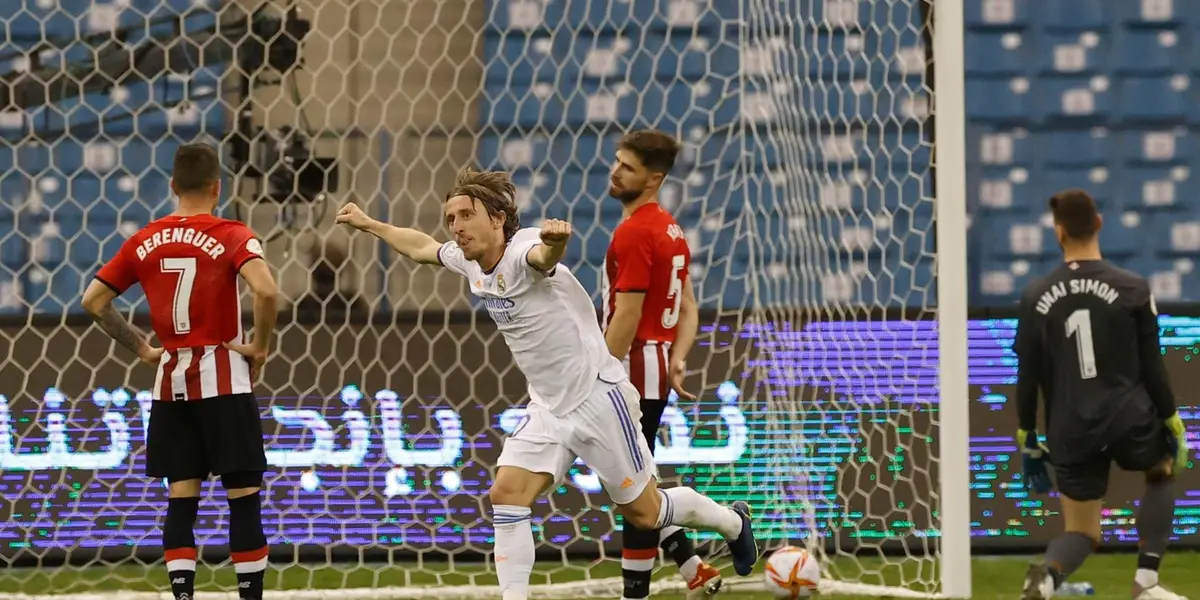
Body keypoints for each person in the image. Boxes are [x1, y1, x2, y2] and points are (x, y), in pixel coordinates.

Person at [335, 167, 758, 600]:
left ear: (498, 218)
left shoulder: (522, 250)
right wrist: (370, 224)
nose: (457, 227)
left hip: (597, 396)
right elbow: (422, 248)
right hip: (548, 407)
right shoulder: (468, 260)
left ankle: (733, 522)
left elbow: (542, 257)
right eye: (451, 219)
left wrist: (555, 244)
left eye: (466, 215)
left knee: (645, 513)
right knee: (507, 492)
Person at [80, 143, 279, 600]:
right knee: (244, 499)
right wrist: (262, 347)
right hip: (225, 377)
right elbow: (266, 292)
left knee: (181, 501)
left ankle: (183, 597)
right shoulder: (232, 232)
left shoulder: (143, 240)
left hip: (171, 385)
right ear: (218, 187)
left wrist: (144, 349)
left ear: (172, 186)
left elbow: (93, 301)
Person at [1013, 190, 1188, 600]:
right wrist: (1171, 419)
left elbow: (1028, 376)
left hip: (1070, 426)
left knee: (1082, 531)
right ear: (1099, 224)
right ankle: (1146, 584)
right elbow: (1152, 365)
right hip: (1127, 416)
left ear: (1058, 233)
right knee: (1161, 472)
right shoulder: (1133, 287)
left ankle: (1048, 578)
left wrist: (1027, 435)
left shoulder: (1034, 297)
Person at [602, 130, 719, 600]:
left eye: (627, 167)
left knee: (630, 487)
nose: (615, 171)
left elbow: (628, 315)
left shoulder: (635, 232)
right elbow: (688, 306)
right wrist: (678, 358)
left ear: (653, 179)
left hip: (630, 369)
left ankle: (639, 593)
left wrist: (600, 372)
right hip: (652, 370)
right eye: (616, 161)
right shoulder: (670, 229)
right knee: (631, 480)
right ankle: (692, 565)